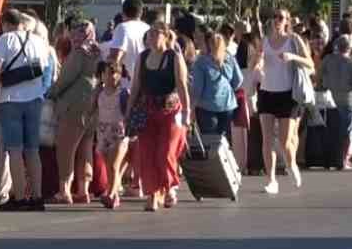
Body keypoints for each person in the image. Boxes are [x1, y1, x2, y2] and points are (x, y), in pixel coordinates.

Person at [0, 10, 52, 211]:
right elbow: (44, 68)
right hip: (34, 99)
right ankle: (37, 197)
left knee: (15, 150)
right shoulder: (39, 41)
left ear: (6, 24)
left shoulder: (5, 39)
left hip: (10, 99)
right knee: (32, 150)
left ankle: (20, 197)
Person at [131, 22, 190, 212]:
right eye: (150, 33)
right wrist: (128, 111)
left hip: (171, 111)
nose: (152, 36)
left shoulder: (173, 57)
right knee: (146, 153)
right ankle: (151, 195)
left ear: (165, 36)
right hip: (147, 110)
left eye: (157, 33)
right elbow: (135, 87)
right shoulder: (143, 57)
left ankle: (170, 187)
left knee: (165, 152)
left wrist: (187, 112)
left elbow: (181, 86)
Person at [256, 9, 314, 195]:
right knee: (267, 140)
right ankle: (271, 180)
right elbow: (255, 63)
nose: (277, 20)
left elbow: (311, 64)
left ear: (287, 21)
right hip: (266, 92)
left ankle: (292, 164)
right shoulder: (264, 40)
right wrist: (257, 63)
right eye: (274, 17)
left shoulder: (294, 39)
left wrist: (292, 57)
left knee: (284, 141)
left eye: (281, 17)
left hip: (288, 94)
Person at [49, 20, 101, 204]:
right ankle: (83, 189)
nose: (71, 36)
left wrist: (51, 92)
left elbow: (66, 78)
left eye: (74, 32)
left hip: (74, 105)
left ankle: (64, 190)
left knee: (66, 148)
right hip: (93, 105)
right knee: (86, 148)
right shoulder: (97, 51)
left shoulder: (79, 53)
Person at [320, 35, 352, 171]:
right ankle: (343, 160)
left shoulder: (327, 59)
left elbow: (318, 75)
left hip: (330, 100)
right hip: (348, 100)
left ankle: (331, 159)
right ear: (350, 47)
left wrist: (325, 83)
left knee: (332, 131)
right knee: (347, 132)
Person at [190, 32, 244, 147]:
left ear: (208, 44)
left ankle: (214, 165)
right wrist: (229, 89)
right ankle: (225, 162)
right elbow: (239, 80)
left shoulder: (201, 62)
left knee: (210, 141)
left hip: (207, 106)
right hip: (228, 104)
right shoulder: (229, 58)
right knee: (223, 140)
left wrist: (191, 107)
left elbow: (197, 89)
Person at [94, 61, 130, 210]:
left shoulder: (123, 93)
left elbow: (129, 111)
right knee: (108, 166)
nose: (112, 76)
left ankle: (111, 193)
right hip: (103, 133)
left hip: (119, 133)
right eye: (108, 73)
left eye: (115, 73)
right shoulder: (98, 93)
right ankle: (114, 195)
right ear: (101, 76)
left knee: (114, 165)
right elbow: (91, 109)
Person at [106, 0, 150, 82]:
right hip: (146, 82)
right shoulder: (148, 28)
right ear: (141, 12)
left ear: (123, 12)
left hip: (127, 84)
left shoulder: (122, 27)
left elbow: (115, 58)